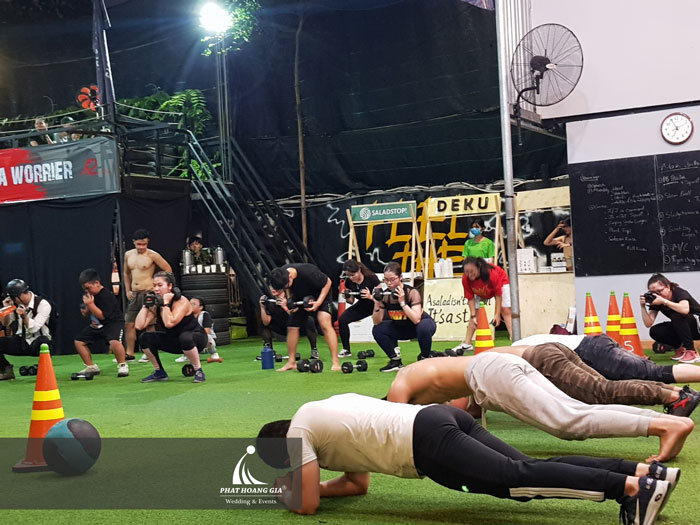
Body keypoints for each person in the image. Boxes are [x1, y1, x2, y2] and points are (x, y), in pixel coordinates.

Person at [257, 393, 677, 523]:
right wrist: (316, 485)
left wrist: (287, 492)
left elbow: (306, 505)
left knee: (517, 481)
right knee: (527, 467)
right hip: (438, 418)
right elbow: (356, 485)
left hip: (426, 443)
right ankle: (646, 472)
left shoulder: (300, 431)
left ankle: (632, 490)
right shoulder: (323, 414)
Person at [386, 353, 694, 463]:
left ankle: (663, 426)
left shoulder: (400, 387)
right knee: (575, 409)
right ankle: (664, 422)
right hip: (500, 363)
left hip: (487, 374)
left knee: (567, 423)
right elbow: (459, 406)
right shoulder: (414, 375)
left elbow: (397, 428)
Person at [487, 343, 699, 417]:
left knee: (602, 392)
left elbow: (472, 406)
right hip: (554, 348)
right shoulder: (484, 356)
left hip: (543, 358)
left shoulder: (474, 364)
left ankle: (672, 397)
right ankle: (678, 393)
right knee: (607, 387)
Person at [513, 333, 700, 386]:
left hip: (591, 352)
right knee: (650, 372)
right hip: (593, 345)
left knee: (655, 373)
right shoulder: (517, 346)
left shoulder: (512, 353)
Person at [135, 271, 207, 383]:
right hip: (175, 340)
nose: (156, 289)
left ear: (170, 286)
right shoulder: (157, 303)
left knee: (185, 337)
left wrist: (166, 304)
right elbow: (139, 325)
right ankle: (159, 372)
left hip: (196, 339)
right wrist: (145, 305)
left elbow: (169, 323)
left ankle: (198, 370)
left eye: (160, 285)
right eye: (154, 286)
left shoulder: (182, 301)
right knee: (144, 337)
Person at [269, 264, 340, 372]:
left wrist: (319, 302)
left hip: (321, 294)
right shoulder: (282, 274)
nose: (285, 288)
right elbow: (287, 290)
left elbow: (328, 282)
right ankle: (291, 362)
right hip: (301, 297)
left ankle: (336, 362)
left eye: (285, 286)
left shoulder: (308, 272)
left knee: (324, 323)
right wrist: (289, 303)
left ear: (290, 277)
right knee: (292, 327)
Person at [371, 262, 436, 372]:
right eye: (386, 280)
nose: (389, 283)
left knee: (423, 326)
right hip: (401, 327)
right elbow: (377, 322)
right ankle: (395, 361)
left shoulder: (412, 292)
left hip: (418, 327)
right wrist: (376, 303)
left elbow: (416, 319)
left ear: (400, 277)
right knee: (378, 329)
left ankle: (425, 357)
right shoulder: (385, 296)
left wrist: (402, 303)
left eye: (392, 279)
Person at [123, 228, 172, 362]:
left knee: (149, 324)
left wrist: (157, 286)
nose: (141, 247)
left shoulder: (153, 255)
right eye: (139, 244)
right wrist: (127, 290)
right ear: (133, 242)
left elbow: (168, 270)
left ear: (148, 242)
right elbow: (126, 273)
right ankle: (129, 354)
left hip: (148, 292)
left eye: (144, 244)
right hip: (134, 293)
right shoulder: (128, 255)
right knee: (129, 323)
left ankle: (150, 351)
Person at [73, 269, 129, 378]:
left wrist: (90, 305)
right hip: (98, 325)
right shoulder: (90, 296)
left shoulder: (106, 296)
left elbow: (102, 316)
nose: (87, 291)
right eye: (85, 289)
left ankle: (122, 364)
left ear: (97, 283)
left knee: (114, 342)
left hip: (113, 323)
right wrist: (87, 309)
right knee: (79, 341)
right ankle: (91, 366)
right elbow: (89, 314)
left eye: (88, 288)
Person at [452, 257, 511, 353]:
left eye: (472, 271)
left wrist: (497, 314)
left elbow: (498, 294)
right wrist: (473, 315)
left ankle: (515, 340)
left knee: (506, 310)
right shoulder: (465, 279)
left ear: (478, 268)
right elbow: (470, 298)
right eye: (467, 272)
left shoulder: (492, 274)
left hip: (501, 282)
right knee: (476, 313)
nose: (469, 274)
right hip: (481, 290)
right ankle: (467, 343)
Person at [640, 273, 700, 364]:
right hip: (684, 327)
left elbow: (684, 310)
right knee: (655, 331)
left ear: (668, 287)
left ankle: (692, 352)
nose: (657, 294)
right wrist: (642, 307)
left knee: (677, 315)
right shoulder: (657, 300)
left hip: (697, 326)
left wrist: (664, 301)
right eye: (653, 292)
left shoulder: (678, 292)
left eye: (659, 291)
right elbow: (648, 323)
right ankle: (681, 349)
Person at [0, 279, 52, 381]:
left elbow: (34, 328)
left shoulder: (43, 304)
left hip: (38, 341)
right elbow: (6, 324)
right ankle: (6, 370)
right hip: (22, 340)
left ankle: (46, 370)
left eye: (13, 297)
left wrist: (24, 317)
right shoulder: (15, 304)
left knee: (43, 341)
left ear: (19, 296)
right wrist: (6, 309)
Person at [338, 260, 380, 358]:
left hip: (377, 304)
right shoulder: (349, 282)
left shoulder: (372, 278)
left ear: (359, 270)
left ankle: (394, 348)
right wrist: (347, 296)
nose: (351, 278)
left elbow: (381, 298)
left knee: (384, 324)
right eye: (349, 275)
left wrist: (370, 296)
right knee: (343, 320)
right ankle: (346, 349)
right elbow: (351, 301)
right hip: (363, 305)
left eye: (353, 275)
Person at [176, 297, 222, 364]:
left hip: (206, 342)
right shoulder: (187, 316)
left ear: (201, 307)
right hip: (194, 341)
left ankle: (214, 354)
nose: (191, 306)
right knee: (183, 337)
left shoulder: (205, 315)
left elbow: (207, 331)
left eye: (194, 304)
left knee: (207, 336)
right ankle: (187, 356)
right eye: (189, 304)